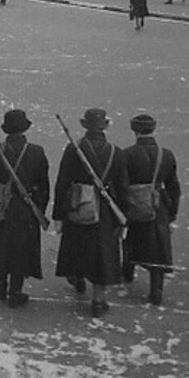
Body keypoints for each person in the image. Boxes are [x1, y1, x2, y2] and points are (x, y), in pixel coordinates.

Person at [53, 108, 129, 318]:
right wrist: (123, 218)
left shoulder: (73, 149)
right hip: (105, 210)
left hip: (78, 205)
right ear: (105, 125)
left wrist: (58, 214)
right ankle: (98, 299)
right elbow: (123, 189)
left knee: (76, 246)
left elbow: (62, 183)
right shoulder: (117, 153)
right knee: (102, 254)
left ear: (84, 125)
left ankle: (77, 278)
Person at [0, 109, 50, 308]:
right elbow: (44, 186)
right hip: (26, 209)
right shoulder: (37, 151)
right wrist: (39, 210)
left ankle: (0, 285)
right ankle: (16, 290)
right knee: (21, 250)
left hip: (0, 207)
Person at [120, 114, 181, 306]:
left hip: (134, 204)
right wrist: (172, 212)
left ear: (134, 129)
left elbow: (121, 185)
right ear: (153, 129)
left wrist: (121, 209)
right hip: (157, 205)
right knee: (159, 247)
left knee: (132, 240)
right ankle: (156, 290)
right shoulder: (167, 154)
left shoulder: (127, 154)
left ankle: (128, 272)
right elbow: (174, 187)